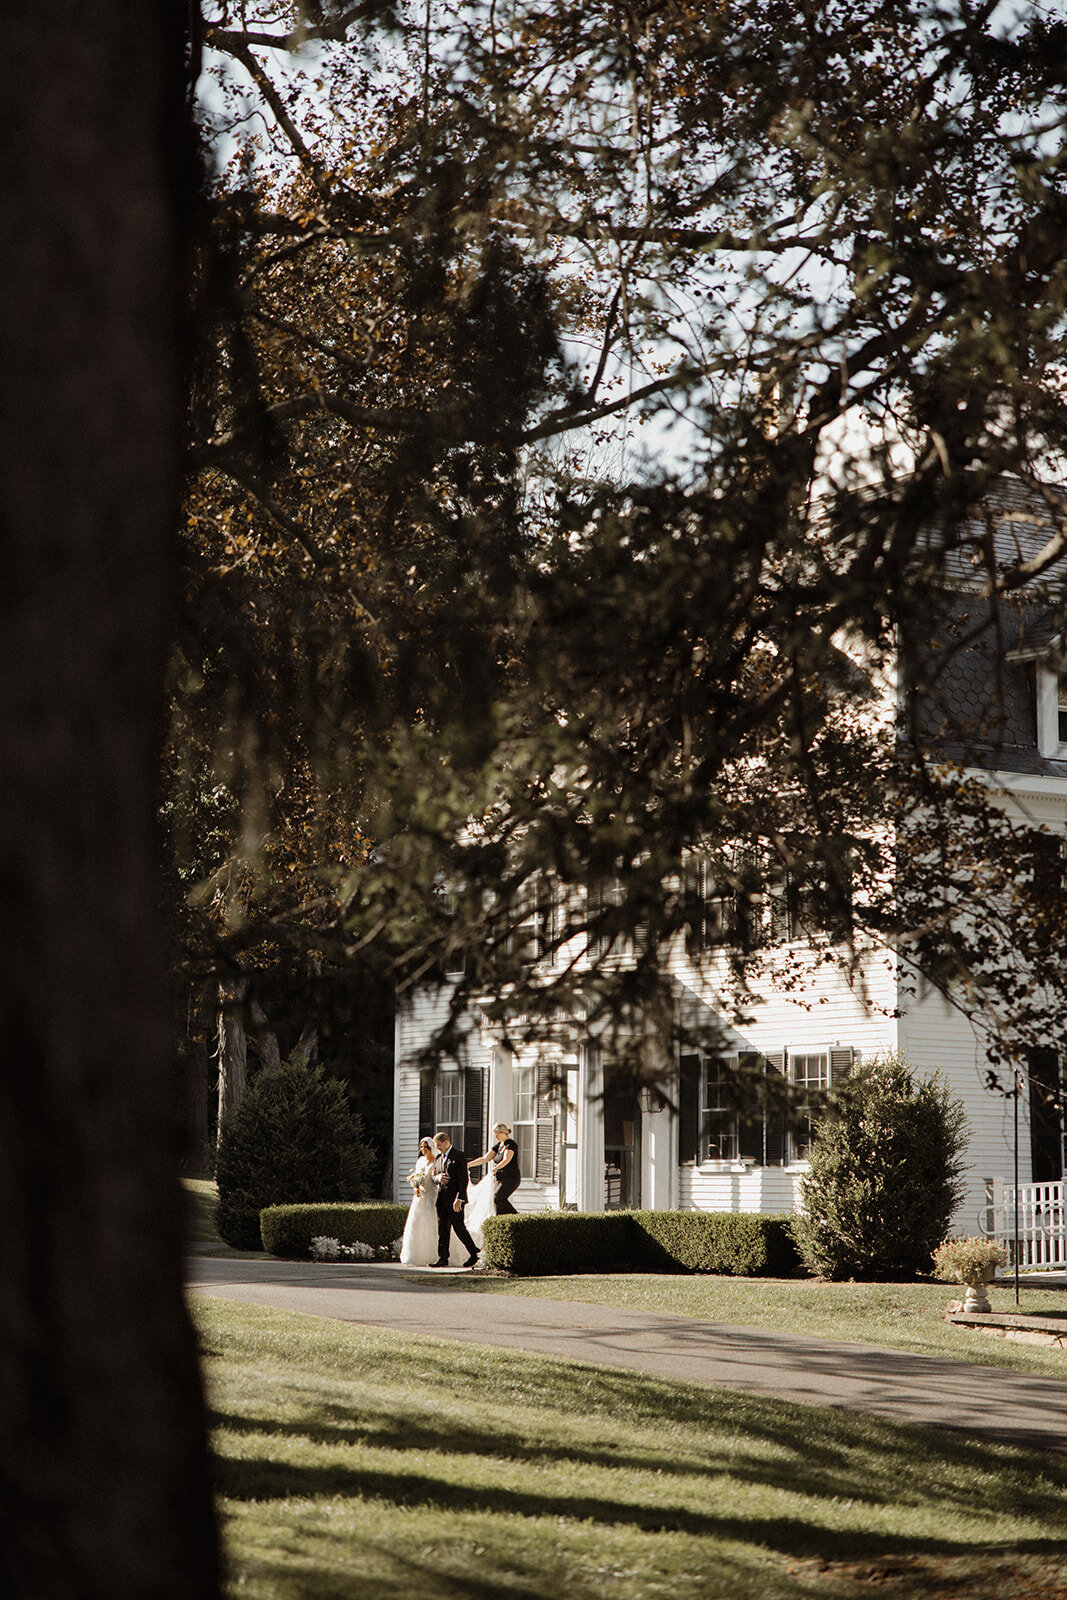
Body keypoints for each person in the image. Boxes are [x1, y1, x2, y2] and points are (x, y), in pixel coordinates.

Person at [431, 1131, 480, 1267]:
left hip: (455, 1201)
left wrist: (460, 1198)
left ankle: (474, 1253)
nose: (438, 1148)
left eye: (439, 1145)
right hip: (442, 1199)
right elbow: (434, 1177)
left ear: (446, 1142)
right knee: (443, 1230)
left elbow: (463, 1179)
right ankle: (443, 1258)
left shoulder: (458, 1156)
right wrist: (437, 1178)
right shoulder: (439, 1158)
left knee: (459, 1228)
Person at [399, 1137, 439, 1266]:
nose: (423, 1150)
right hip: (419, 1195)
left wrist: (434, 1176)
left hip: (431, 1195)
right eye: (421, 1147)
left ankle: (431, 1255)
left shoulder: (436, 1161)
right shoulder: (420, 1161)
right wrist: (415, 1185)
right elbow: (416, 1176)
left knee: (429, 1222)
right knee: (416, 1222)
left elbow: (435, 1178)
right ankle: (415, 1255)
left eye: (426, 1147)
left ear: (431, 1148)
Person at [470, 1122, 521, 1215]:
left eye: (497, 1135)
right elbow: (485, 1158)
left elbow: (506, 1159)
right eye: (495, 1135)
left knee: (498, 1198)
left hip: (511, 1178)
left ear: (504, 1133)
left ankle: (517, 1218)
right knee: (494, 1201)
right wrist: (468, 1165)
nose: (496, 1137)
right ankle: (502, 1223)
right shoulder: (498, 1146)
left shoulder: (511, 1144)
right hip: (499, 1178)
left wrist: (496, 1168)